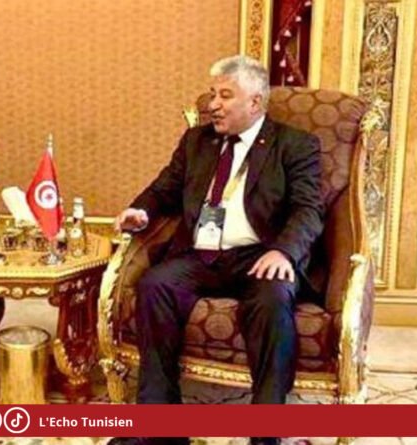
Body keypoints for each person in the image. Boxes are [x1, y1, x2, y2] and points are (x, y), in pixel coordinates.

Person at [110, 55, 324, 445]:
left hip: (260, 254)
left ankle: (266, 434)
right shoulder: (197, 141)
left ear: (255, 102)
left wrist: (284, 252)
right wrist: (141, 211)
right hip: (202, 254)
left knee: (273, 298)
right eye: (212, 94)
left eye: (225, 95)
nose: (213, 105)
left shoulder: (294, 145)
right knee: (155, 285)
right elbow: (164, 188)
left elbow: (308, 209)